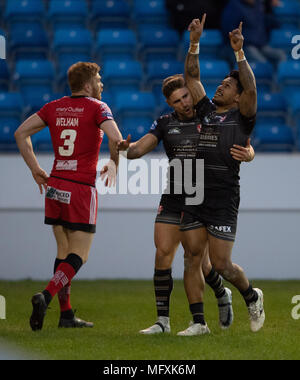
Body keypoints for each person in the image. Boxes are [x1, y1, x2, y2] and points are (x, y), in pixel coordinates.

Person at [117, 29, 255, 335]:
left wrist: (250, 153)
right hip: (176, 192)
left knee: (206, 264)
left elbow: (242, 138)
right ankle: (164, 322)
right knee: (166, 254)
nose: (184, 102)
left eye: (186, 96)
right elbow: (140, 148)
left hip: (202, 194)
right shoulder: (166, 123)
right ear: (170, 104)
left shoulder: (207, 114)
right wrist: (126, 151)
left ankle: (222, 294)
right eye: (177, 100)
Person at [14, 62, 122, 331]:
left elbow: (20, 133)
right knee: (79, 256)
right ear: (87, 85)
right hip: (81, 187)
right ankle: (46, 296)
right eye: (98, 79)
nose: (102, 84)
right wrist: (114, 162)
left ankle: (66, 315)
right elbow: (116, 137)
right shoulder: (99, 107)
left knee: (63, 252)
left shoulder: (53, 107)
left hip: (55, 184)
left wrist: (35, 169)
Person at [176, 17, 265, 336]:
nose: (220, 86)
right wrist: (194, 42)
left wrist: (239, 54)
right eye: (222, 84)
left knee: (223, 265)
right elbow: (191, 75)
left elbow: (252, 86)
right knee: (191, 258)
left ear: (239, 97)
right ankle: (198, 323)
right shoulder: (206, 112)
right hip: (196, 192)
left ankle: (252, 296)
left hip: (225, 196)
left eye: (227, 86)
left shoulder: (244, 119)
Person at [221, 0, 286, 66]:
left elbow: (269, 21)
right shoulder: (234, 6)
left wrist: (270, 7)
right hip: (245, 46)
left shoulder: (259, 5)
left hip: (261, 45)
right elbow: (229, 30)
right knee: (262, 62)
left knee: (280, 55)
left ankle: (277, 76)